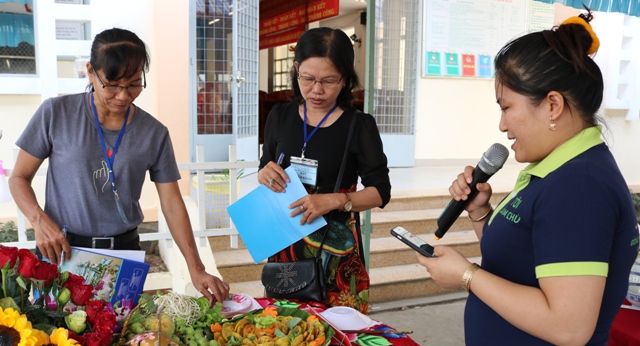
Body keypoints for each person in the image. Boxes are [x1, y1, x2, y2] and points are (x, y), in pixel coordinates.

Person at [416, 10, 639, 346]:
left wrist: (466, 277)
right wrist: (481, 214)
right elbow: (526, 266)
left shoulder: (580, 186)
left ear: (552, 105)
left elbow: (570, 325)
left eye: (506, 107)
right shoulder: (556, 169)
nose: (501, 125)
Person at [9, 28, 230, 304]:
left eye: (134, 84)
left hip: (124, 256)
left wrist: (196, 268)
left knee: (118, 340)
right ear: (91, 72)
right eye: (112, 84)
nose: (123, 96)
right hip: (62, 252)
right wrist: (39, 222)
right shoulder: (56, 113)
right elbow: (18, 177)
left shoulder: (154, 133)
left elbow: (172, 202)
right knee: (54, 342)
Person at [258, 27, 391, 314]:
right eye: (308, 79)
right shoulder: (280, 117)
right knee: (284, 333)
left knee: (340, 338)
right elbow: (265, 165)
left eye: (329, 81)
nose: (317, 90)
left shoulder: (358, 125)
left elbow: (381, 191)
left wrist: (333, 200)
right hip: (286, 246)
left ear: (345, 78)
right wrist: (263, 174)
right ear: (296, 70)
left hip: (336, 253)